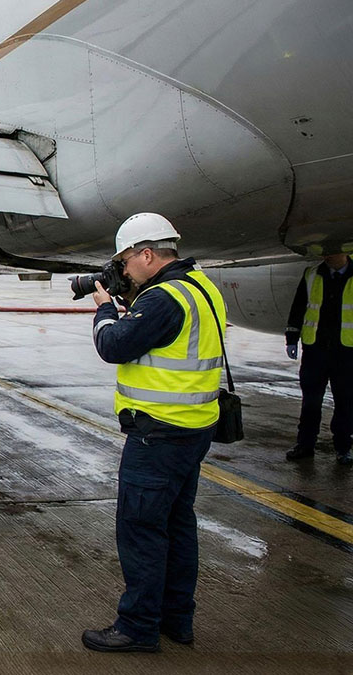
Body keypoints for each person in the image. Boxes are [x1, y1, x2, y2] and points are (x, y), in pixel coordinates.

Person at [82, 213, 227, 653]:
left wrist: (106, 312)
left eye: (126, 260)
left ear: (147, 254)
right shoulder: (201, 289)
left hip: (158, 436)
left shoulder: (163, 298)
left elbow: (113, 346)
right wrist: (132, 314)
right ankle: (176, 619)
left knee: (142, 529)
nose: (124, 271)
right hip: (193, 429)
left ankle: (138, 626)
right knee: (178, 526)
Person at [284, 252, 351, 466]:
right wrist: (292, 338)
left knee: (345, 402)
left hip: (346, 351)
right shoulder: (312, 274)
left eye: (332, 252)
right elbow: (299, 307)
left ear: (344, 253)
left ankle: (343, 447)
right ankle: (305, 444)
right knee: (311, 401)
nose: (326, 256)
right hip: (316, 350)